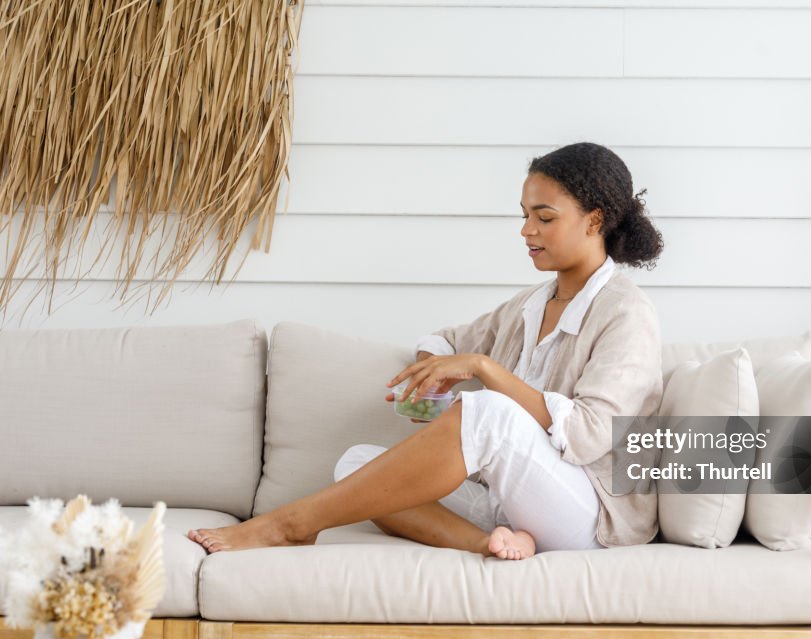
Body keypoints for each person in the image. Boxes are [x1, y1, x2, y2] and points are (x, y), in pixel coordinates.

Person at [187, 142, 665, 560]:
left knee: (489, 412)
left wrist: (482, 368)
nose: (526, 231)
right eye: (524, 215)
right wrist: (430, 377)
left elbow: (588, 434)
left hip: (592, 515)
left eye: (544, 218)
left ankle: (290, 525)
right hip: (513, 504)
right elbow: (447, 341)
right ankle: (489, 542)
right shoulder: (530, 304)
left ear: (594, 220)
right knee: (355, 463)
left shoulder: (626, 312)